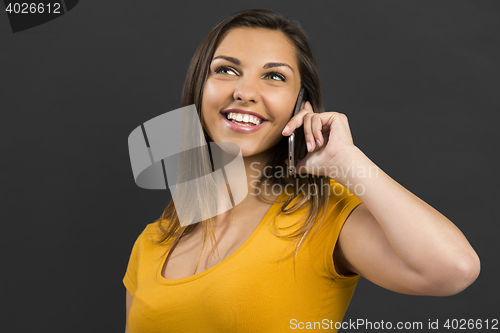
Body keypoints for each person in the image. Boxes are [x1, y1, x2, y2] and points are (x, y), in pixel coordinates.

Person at [123, 9, 480, 332]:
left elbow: (455, 269)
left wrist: (347, 160)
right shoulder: (155, 240)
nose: (245, 92)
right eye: (226, 70)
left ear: (301, 105)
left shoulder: (322, 217)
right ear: (200, 89)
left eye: (274, 77)